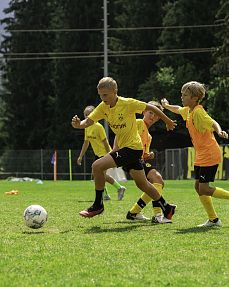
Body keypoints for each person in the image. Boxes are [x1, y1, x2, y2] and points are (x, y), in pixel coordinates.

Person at [72, 76, 177, 219]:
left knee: (97, 166)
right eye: (100, 95)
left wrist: (168, 121)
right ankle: (167, 207)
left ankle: (98, 205)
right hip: (129, 149)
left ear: (115, 91)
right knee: (143, 185)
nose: (103, 98)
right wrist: (79, 125)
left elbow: (151, 107)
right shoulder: (103, 107)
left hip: (132, 148)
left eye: (105, 95)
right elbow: (88, 121)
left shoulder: (127, 103)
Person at [161, 81, 229, 227]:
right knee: (198, 187)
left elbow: (212, 122)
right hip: (202, 155)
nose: (182, 97)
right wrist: (166, 106)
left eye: (185, 95)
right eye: (182, 94)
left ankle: (214, 219)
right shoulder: (188, 110)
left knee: (203, 188)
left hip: (210, 154)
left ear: (195, 98)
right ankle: (214, 219)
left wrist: (219, 131)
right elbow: (178, 109)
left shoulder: (198, 112)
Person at [126, 101, 172, 223]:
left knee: (156, 183)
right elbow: (123, 135)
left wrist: (148, 155)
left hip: (138, 160)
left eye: (156, 115)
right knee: (157, 179)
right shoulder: (139, 122)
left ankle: (134, 212)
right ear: (143, 111)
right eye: (151, 112)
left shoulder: (149, 136)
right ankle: (158, 216)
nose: (153, 117)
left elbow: (142, 154)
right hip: (130, 159)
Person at [77, 105, 126, 201]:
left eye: (89, 114)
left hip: (104, 154)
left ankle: (117, 189)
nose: (87, 117)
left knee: (99, 175)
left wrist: (111, 155)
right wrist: (80, 156)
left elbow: (105, 142)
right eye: (85, 115)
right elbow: (86, 143)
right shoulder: (87, 127)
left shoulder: (99, 127)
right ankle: (114, 191)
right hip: (97, 154)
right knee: (99, 176)